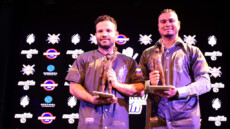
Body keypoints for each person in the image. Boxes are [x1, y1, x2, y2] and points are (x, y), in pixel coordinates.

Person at [65, 15, 145, 129]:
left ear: (116, 34)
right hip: (89, 125)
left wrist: (117, 85)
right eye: (100, 31)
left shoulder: (129, 62)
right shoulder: (83, 58)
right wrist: (92, 99)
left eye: (108, 30)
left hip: (118, 124)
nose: (104, 34)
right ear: (96, 35)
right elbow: (73, 87)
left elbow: (140, 90)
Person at [139, 9, 211, 129]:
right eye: (163, 21)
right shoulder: (147, 54)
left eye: (171, 21)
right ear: (158, 26)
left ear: (178, 24)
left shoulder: (192, 51)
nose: (167, 24)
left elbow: (205, 83)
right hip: (157, 120)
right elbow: (138, 87)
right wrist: (149, 84)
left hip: (186, 120)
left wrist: (178, 92)